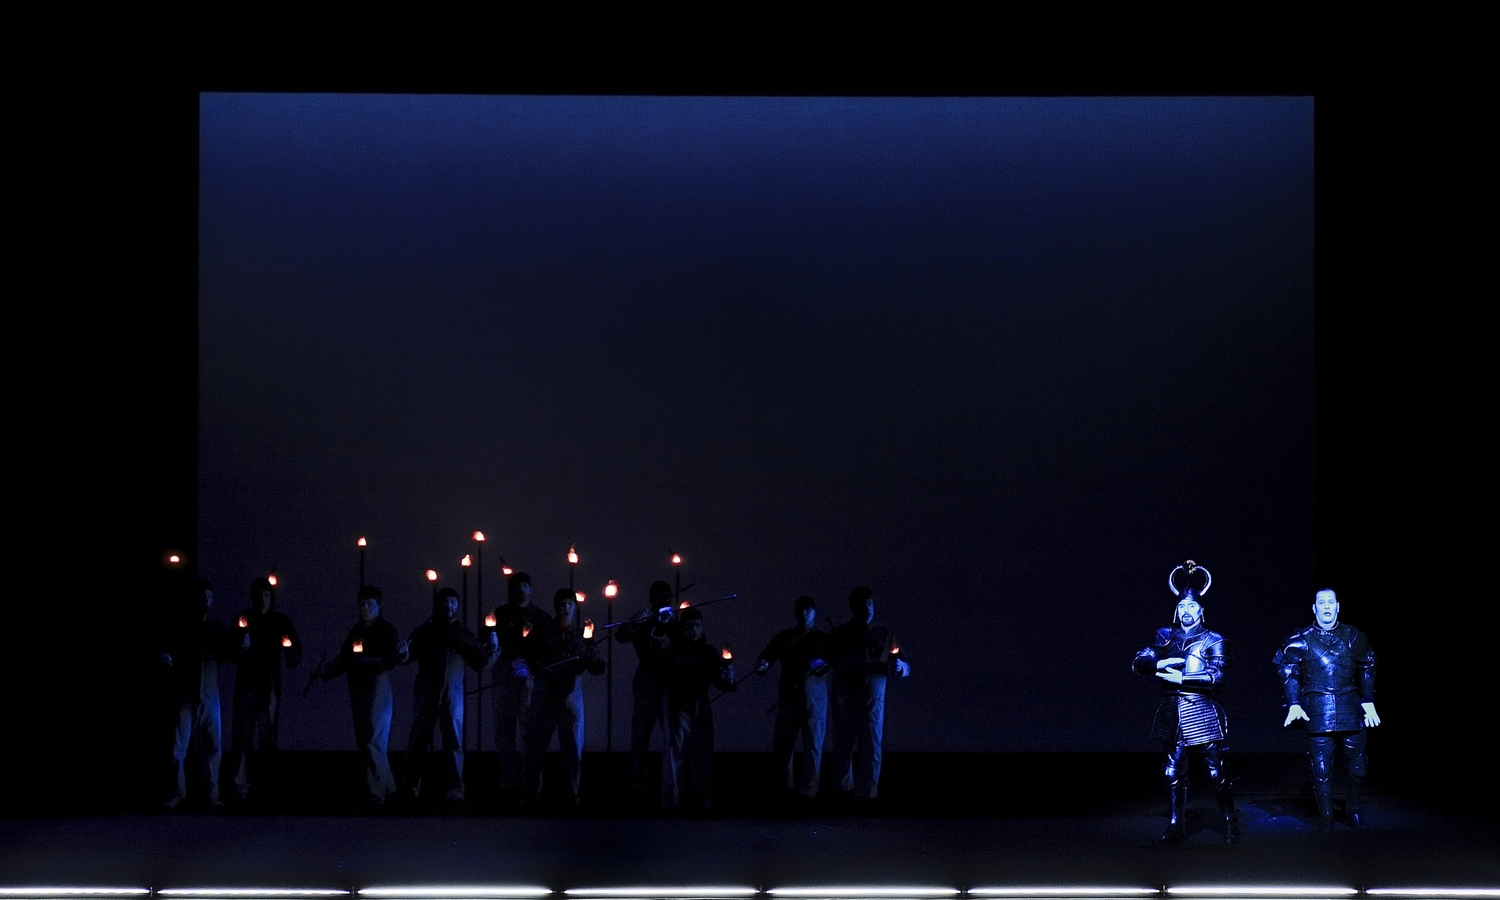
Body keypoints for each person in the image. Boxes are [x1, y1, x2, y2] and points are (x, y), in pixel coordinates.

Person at [1132, 560, 1238, 845]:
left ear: (1202, 610)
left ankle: (1229, 819)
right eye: (1182, 607)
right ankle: (1176, 824)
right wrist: (1159, 662)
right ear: (1176, 611)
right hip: (1171, 710)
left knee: (1216, 772)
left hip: (1201, 709)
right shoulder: (1165, 636)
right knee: (1171, 772)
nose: (1186, 611)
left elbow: (1218, 678)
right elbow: (1139, 661)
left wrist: (1181, 679)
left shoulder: (1214, 639)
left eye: (1192, 607)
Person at [1273, 588, 1379, 831]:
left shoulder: (1353, 636)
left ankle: (1352, 811)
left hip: (1350, 706)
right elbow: (1288, 671)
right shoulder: (1300, 638)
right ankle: (1327, 816)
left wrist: (1368, 700)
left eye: (1331, 602)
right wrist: (1293, 703)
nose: (1327, 606)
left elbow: (1367, 665)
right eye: (1322, 602)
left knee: (1359, 766)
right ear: (1315, 608)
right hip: (1318, 708)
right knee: (1321, 767)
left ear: (1338, 606)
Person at [401, 586, 497, 804]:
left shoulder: (462, 633)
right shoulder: (425, 631)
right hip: (427, 692)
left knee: (453, 740)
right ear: (438, 604)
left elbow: (479, 663)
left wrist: (492, 649)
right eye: (444, 602)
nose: (448, 606)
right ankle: (410, 787)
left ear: (457, 606)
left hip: (453, 695)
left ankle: (455, 790)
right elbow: (407, 655)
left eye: (452, 602)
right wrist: (403, 654)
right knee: (418, 740)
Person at [318, 585, 408, 807]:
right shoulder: (356, 631)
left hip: (377, 684)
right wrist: (326, 671)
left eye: (369, 604)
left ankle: (377, 792)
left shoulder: (386, 630)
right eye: (362, 604)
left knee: (373, 738)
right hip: (357, 686)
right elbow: (345, 658)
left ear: (379, 605)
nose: (365, 608)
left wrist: (372, 662)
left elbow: (393, 658)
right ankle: (391, 789)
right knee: (365, 739)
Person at [518, 588, 605, 810]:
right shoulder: (542, 632)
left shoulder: (580, 635)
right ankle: (530, 795)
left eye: (569, 603)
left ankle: (571, 796)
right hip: (545, 697)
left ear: (574, 607)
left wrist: (590, 647)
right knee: (536, 747)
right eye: (561, 604)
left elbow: (597, 668)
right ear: (555, 607)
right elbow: (528, 658)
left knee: (573, 749)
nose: (564, 608)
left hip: (569, 697)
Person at [159, 578, 241, 810]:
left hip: (210, 694)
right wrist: (166, 658)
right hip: (185, 693)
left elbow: (231, 654)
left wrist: (241, 644)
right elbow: (166, 649)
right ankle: (177, 793)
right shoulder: (181, 627)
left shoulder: (217, 628)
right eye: (201, 596)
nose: (205, 601)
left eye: (209, 597)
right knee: (177, 746)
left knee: (213, 747)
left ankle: (211, 795)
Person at [824, 586, 910, 801]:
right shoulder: (839, 634)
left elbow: (905, 666)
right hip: (845, 700)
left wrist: (901, 667)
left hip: (873, 701)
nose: (868, 609)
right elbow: (820, 659)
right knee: (843, 748)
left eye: (870, 604)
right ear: (853, 608)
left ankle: (867, 797)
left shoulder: (884, 634)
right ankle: (841, 795)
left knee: (871, 748)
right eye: (863, 605)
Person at [224, 576, 301, 804]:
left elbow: (294, 653)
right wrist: (238, 648)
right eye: (259, 594)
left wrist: (291, 655)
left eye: (266, 595)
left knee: (267, 740)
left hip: (269, 684)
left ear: (271, 597)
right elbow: (229, 651)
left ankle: (265, 786)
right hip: (247, 684)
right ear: (252, 596)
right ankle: (241, 787)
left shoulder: (280, 622)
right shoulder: (243, 619)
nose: (262, 599)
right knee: (242, 737)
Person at [754, 595, 830, 799]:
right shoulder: (784, 637)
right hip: (789, 701)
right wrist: (761, 665)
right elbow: (766, 658)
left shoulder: (823, 639)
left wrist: (822, 665)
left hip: (815, 703)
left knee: (813, 747)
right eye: (801, 610)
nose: (805, 614)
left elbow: (831, 663)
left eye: (809, 610)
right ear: (796, 613)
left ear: (815, 612)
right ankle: (784, 791)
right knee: (783, 746)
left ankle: (809, 794)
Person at [660, 606, 735, 810]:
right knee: (674, 756)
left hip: (700, 708)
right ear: (682, 628)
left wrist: (728, 676)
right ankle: (671, 803)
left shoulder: (708, 652)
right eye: (688, 626)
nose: (692, 630)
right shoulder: (674, 649)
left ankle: (702, 802)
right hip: (678, 706)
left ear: (702, 627)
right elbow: (664, 674)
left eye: (696, 626)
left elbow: (720, 681)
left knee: (701, 756)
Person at [486, 571, 550, 800]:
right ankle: (508, 782)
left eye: (525, 585)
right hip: (503, 677)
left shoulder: (540, 617)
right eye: (516, 585)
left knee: (529, 733)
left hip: (529, 679)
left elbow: (546, 649)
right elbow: (487, 640)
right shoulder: (500, 615)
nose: (520, 589)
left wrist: (530, 664)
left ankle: (531, 782)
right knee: (504, 732)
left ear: (530, 589)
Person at [615, 580, 678, 797]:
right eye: (659, 597)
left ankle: (671, 791)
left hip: (670, 683)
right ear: (651, 599)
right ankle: (637, 789)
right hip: (647, 682)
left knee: (672, 739)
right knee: (640, 737)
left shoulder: (674, 620)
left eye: (667, 597)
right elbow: (620, 635)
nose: (664, 601)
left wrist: (671, 624)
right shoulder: (643, 619)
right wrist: (635, 622)